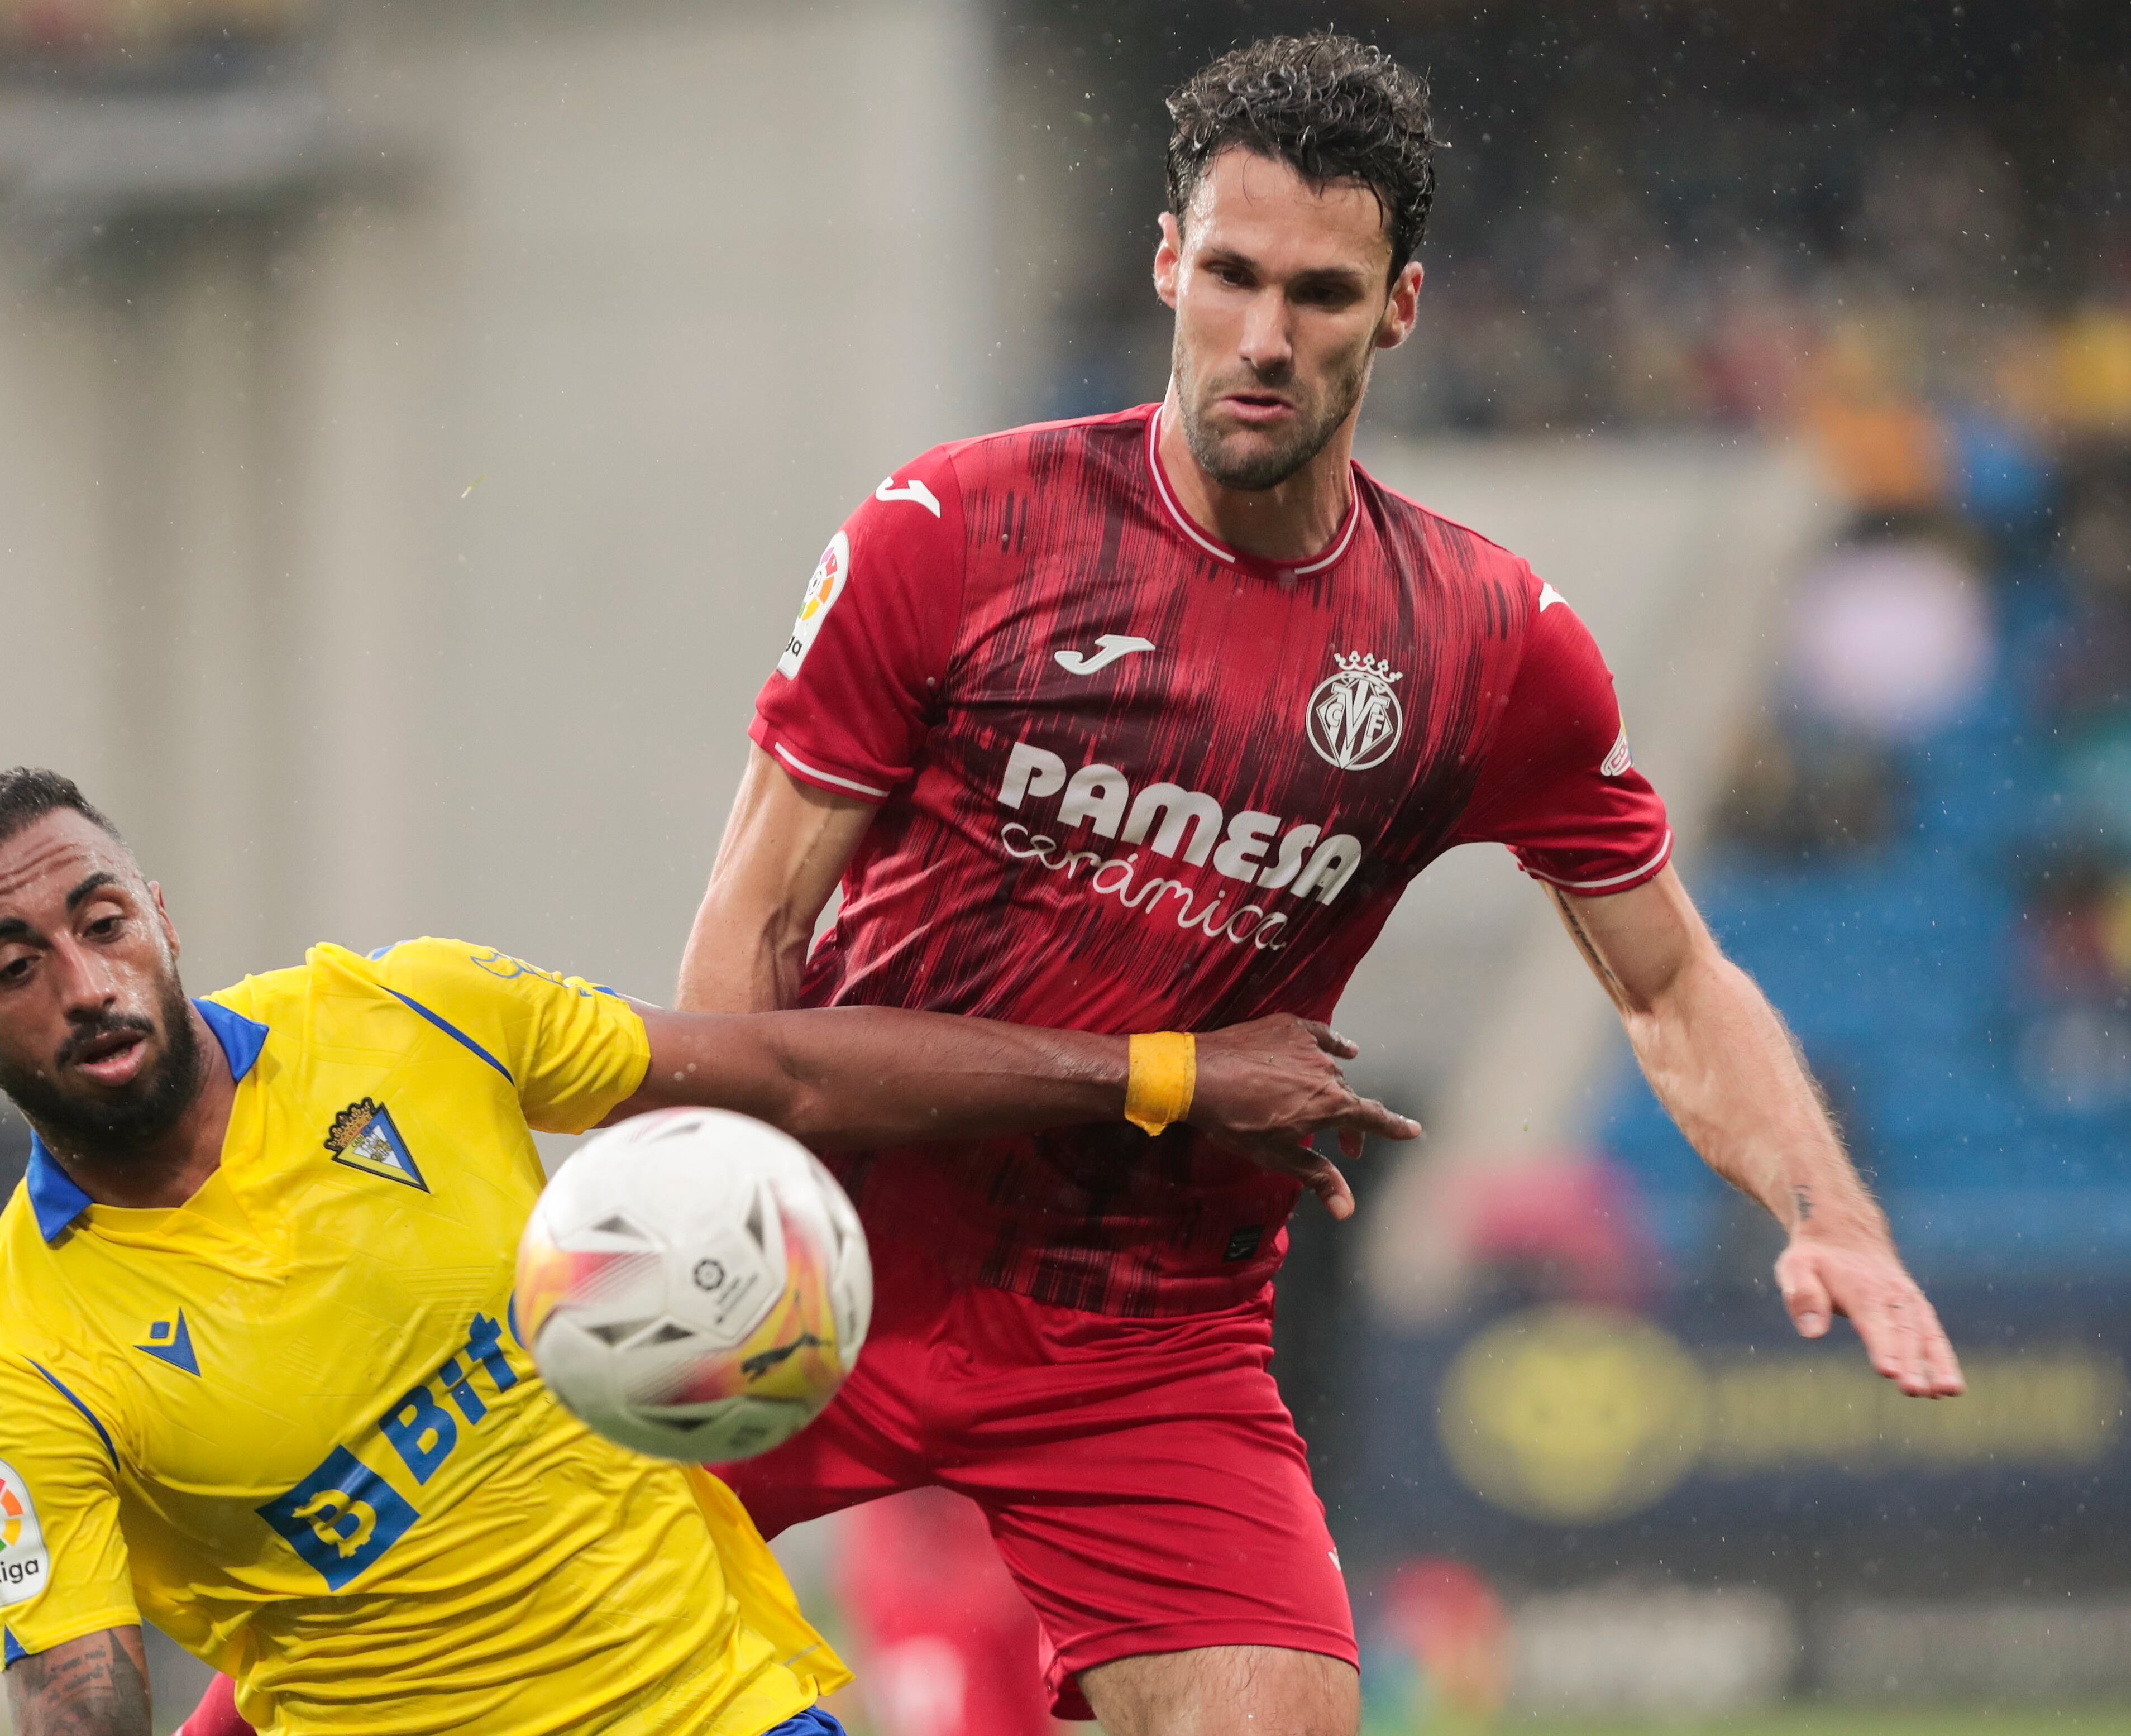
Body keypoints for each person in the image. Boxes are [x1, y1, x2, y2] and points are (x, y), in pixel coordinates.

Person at [672, 32, 1966, 1736]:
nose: (1266, 337)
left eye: (1323, 293)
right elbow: (756, 921)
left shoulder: (1487, 644)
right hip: (839, 1266)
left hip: (1146, 1342)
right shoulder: (953, 534)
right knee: (418, 1642)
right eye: (1232, 276)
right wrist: (708, 1231)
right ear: (1166, 263)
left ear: (1401, 308)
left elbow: (1666, 983)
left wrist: (1833, 1213)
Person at [0, 766, 1416, 1736]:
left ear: (158, 912)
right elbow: (75, 1690)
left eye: (100, 921)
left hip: (730, 1715)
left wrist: (1165, 1076)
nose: (83, 982)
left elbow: (794, 1071)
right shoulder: (11, 1355)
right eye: (14, 967)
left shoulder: (407, 1014)